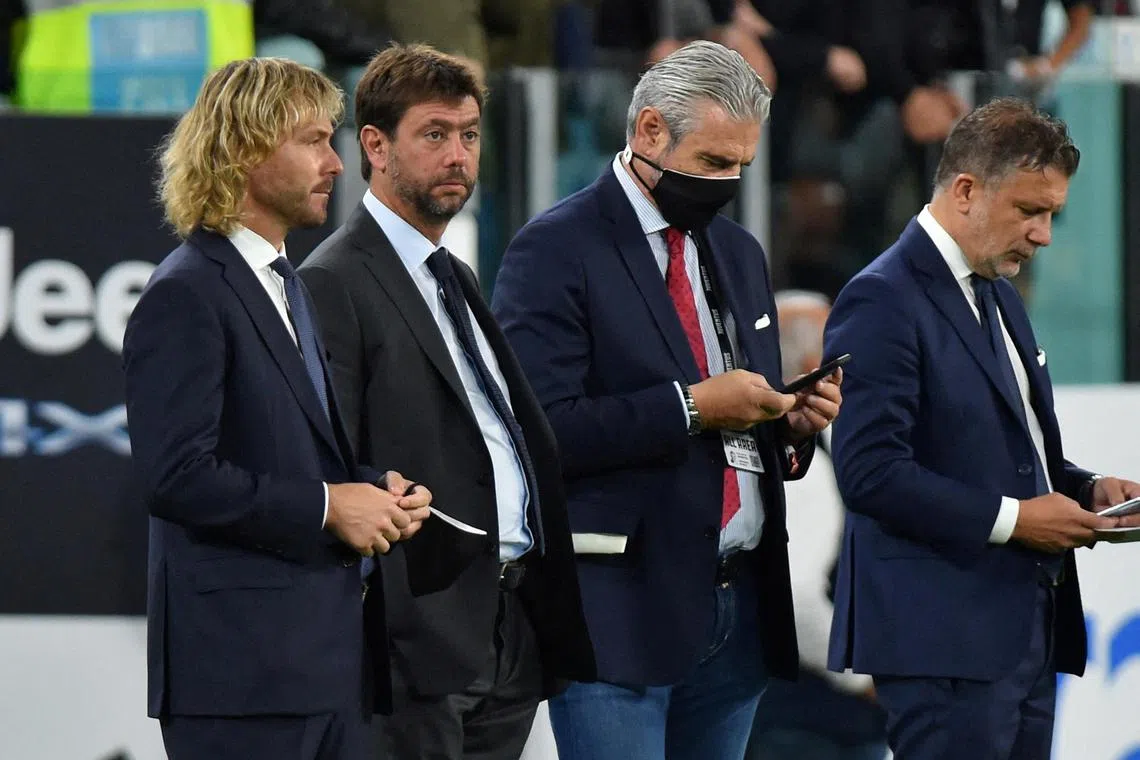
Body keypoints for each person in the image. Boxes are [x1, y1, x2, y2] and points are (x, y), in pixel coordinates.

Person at [492, 40, 842, 760]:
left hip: (740, 608)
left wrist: (790, 424)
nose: (729, 181)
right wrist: (690, 408)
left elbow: (742, 418)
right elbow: (538, 432)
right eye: (713, 161)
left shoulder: (738, 251)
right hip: (620, 610)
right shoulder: (553, 249)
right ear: (651, 130)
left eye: (741, 164)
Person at [122, 57, 432, 760]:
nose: (336, 163)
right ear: (243, 150)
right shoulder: (187, 292)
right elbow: (176, 477)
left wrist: (373, 490)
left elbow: (290, 449)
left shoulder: (286, 283)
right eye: (313, 141)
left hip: (325, 670)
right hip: (240, 681)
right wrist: (329, 507)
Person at [296, 43, 595, 760]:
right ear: (375, 147)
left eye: (469, 134)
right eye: (434, 134)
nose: (458, 155)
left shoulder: (453, 272)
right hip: (418, 643)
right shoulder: (332, 279)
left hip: (509, 627)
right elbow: (330, 463)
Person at [824, 97, 1140, 760]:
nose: (1043, 234)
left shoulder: (996, 289)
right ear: (965, 190)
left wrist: (1084, 490)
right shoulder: (882, 297)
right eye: (1029, 210)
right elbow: (870, 472)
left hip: (1025, 630)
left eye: (1052, 214)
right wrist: (1017, 520)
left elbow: (1010, 451)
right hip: (943, 640)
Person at [746, 291, 887, 760]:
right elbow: (798, 596)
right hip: (815, 725)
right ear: (814, 367)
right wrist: (864, 680)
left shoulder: (761, 449)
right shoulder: (801, 465)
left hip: (791, 719)